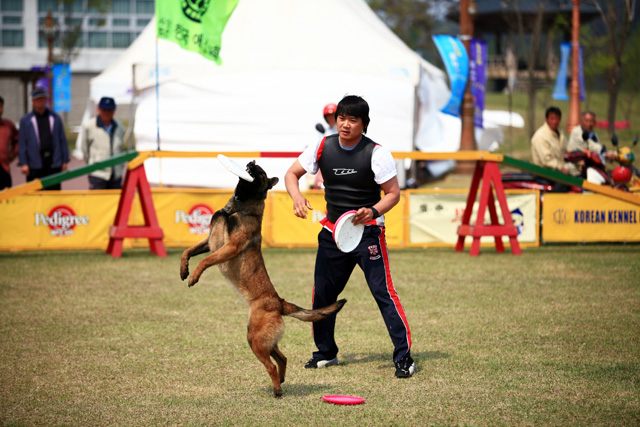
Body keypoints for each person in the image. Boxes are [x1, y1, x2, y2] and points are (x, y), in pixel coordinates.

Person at [284, 95, 415, 378]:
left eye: (352, 120)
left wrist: (374, 210)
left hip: (367, 234)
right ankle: (325, 354)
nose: (345, 124)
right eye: (341, 118)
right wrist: (296, 197)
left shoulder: (377, 153)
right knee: (323, 295)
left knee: (383, 294)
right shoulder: (322, 146)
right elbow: (291, 175)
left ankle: (404, 357)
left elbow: (393, 193)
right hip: (332, 234)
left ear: (363, 125)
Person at [18, 88, 69, 190]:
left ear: (46, 100)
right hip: (34, 165)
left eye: (42, 99)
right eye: (37, 99)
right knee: (35, 195)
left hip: (53, 164)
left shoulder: (55, 118)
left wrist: (64, 160)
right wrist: (24, 163)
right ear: (32, 101)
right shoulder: (26, 120)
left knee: (53, 194)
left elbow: (62, 140)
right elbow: (22, 143)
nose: (40, 101)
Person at [82, 97, 126, 189]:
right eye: (104, 110)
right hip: (98, 173)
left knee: (116, 202)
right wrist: (92, 163)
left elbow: (121, 147)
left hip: (116, 174)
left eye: (110, 110)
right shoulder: (89, 126)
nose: (107, 113)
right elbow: (85, 149)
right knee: (98, 201)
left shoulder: (119, 127)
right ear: (99, 109)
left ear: (114, 111)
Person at [566, 110, 616, 176]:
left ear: (594, 122)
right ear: (581, 121)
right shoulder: (576, 132)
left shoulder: (594, 135)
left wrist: (612, 155)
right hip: (576, 170)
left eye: (591, 121)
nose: (589, 124)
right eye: (586, 121)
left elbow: (598, 153)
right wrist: (605, 153)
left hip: (590, 169)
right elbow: (589, 145)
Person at [0, 96, 18, 189]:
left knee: (6, 200)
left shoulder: (8, 125)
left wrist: (11, 155)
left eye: (0, 106)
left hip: (4, 169)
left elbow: (17, 140)